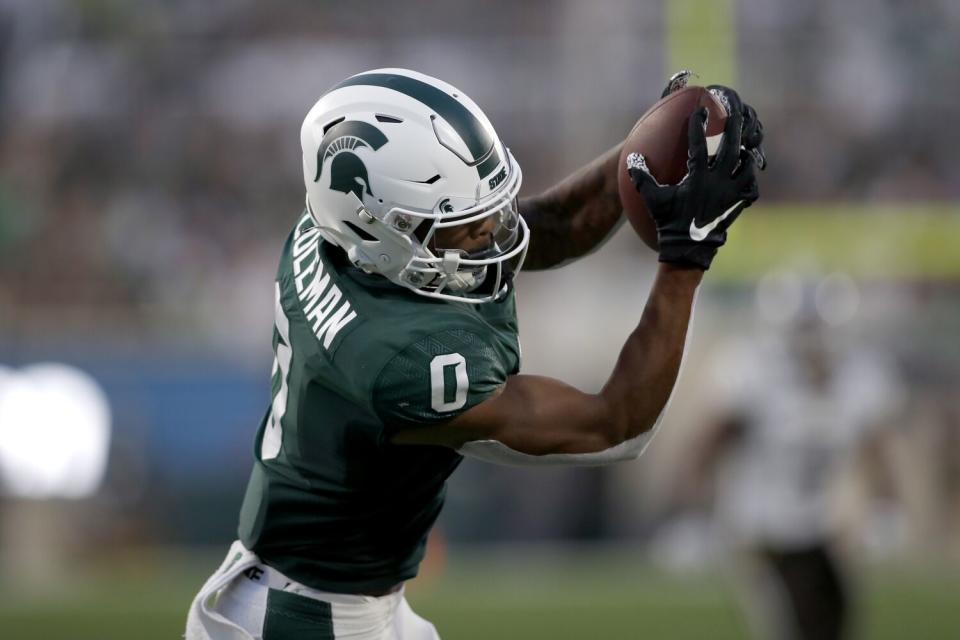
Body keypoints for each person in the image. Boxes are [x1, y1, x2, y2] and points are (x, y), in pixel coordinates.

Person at [185, 67, 764, 640]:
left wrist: (645, 154)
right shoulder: (401, 361)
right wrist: (687, 259)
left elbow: (548, 226)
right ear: (382, 228)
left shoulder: (335, 229)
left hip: (326, 592)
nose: (493, 232)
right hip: (309, 619)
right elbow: (613, 426)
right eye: (464, 227)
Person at [681, 273, 905, 640]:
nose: (811, 343)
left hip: (817, 528)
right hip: (760, 530)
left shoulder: (858, 377)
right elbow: (704, 446)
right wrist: (690, 514)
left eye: (817, 330)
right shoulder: (755, 372)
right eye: (803, 330)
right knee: (791, 624)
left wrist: (886, 506)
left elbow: (875, 447)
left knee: (836, 621)